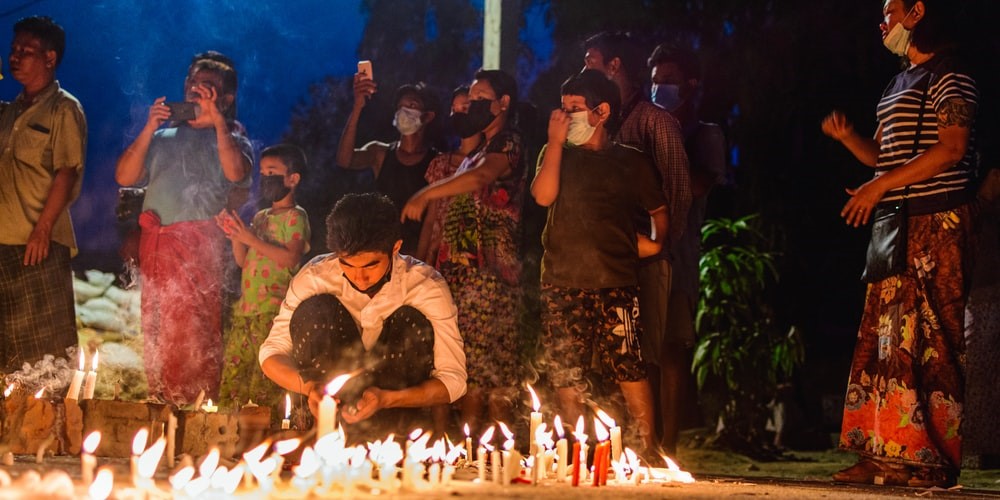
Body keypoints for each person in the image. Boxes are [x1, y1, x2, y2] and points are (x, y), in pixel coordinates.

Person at [822, 0, 977, 487]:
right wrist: (850, 141)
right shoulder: (897, 83)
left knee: (932, 340)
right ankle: (879, 454)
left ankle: (930, 461)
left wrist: (879, 187)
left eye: (890, 11)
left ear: (918, 12)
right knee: (885, 341)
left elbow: (952, 149)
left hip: (939, 222)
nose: (882, 21)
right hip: (896, 225)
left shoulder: (951, 75)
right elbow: (883, 158)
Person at [532, 69, 668, 454]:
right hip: (561, 280)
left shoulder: (630, 162)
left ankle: (647, 448)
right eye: (561, 109)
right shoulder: (555, 154)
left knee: (629, 366)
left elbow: (659, 210)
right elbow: (543, 197)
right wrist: (555, 144)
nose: (564, 117)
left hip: (616, 283)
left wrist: (655, 245)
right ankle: (575, 448)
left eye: (574, 109)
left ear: (601, 111)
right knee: (565, 369)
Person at [258, 192, 466, 442]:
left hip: (396, 411)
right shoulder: (315, 277)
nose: (359, 277)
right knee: (315, 309)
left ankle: (396, 439)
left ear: (395, 248)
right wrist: (310, 388)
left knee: (411, 319)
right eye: (348, 265)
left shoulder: (425, 286)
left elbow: (453, 380)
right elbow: (272, 353)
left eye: (370, 265)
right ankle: (326, 436)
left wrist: (387, 399)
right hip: (330, 410)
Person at [115, 51, 253, 404]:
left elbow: (237, 174)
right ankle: (160, 402)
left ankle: (196, 408)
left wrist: (219, 122)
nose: (197, 89)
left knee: (194, 333)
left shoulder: (232, 135)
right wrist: (149, 127)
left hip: (197, 250)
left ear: (226, 96)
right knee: (157, 327)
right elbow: (124, 176)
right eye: (193, 82)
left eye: (208, 85)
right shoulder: (163, 135)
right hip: (156, 246)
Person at [583, 31, 691, 453]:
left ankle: (652, 448)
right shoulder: (600, 126)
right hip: (603, 261)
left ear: (614, 67)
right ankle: (615, 446)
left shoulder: (655, 123)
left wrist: (655, 249)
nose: (584, 70)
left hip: (644, 259)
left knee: (643, 353)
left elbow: (677, 194)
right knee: (607, 354)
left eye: (591, 61)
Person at [400, 69, 527, 432]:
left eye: (481, 99)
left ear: (503, 103)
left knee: (492, 366)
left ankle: (494, 449)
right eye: (470, 100)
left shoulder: (509, 143)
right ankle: (471, 448)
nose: (473, 106)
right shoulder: (483, 148)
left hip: (489, 275)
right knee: (468, 363)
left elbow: (482, 178)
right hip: (461, 272)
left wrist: (426, 193)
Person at [646, 43, 728, 454]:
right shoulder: (643, 127)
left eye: (670, 81)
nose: (661, 88)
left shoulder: (704, 134)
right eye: (656, 81)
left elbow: (695, 186)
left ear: (692, 85)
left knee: (672, 350)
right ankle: (640, 438)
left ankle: (668, 444)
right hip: (636, 254)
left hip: (677, 255)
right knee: (636, 348)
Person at [0, 16, 85, 373]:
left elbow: (67, 172)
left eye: (26, 51)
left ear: (50, 59)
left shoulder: (63, 109)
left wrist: (43, 228)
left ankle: (47, 425)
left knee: (44, 354)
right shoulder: (8, 112)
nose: (15, 57)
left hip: (38, 245)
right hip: (4, 242)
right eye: (13, 49)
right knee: (8, 350)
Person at [215, 144, 311, 409]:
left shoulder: (295, 217)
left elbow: (291, 258)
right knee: (233, 377)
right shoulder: (260, 217)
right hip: (245, 311)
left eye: (273, 172)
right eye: (263, 172)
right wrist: (237, 235)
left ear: (293, 179)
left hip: (272, 312)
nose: (266, 178)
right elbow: (244, 261)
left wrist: (249, 238)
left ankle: (261, 435)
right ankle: (224, 433)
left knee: (264, 381)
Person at [336, 75, 439, 256]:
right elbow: (345, 159)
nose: (405, 111)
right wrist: (357, 107)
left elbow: (433, 220)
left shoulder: (437, 162)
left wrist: (422, 261)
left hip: (416, 255)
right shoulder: (380, 153)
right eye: (401, 107)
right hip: (381, 251)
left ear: (428, 116)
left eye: (412, 106)